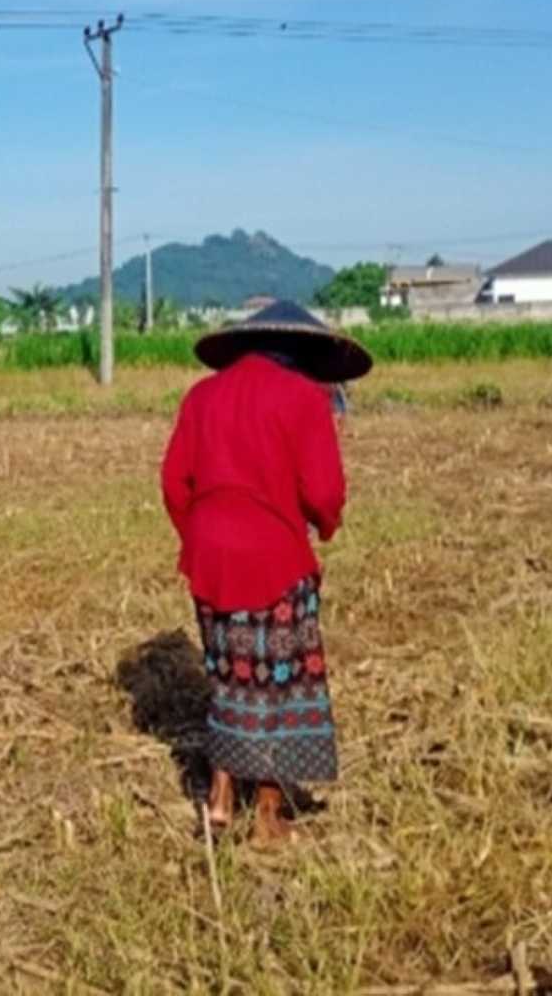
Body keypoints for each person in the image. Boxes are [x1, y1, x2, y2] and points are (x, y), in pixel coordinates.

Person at [159, 301, 372, 848]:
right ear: (304, 352)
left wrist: (201, 536)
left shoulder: (201, 396)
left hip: (211, 560)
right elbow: (323, 491)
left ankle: (220, 797)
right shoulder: (304, 397)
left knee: (229, 676)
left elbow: (174, 482)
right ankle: (268, 818)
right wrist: (326, 523)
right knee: (279, 683)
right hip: (275, 558)